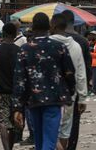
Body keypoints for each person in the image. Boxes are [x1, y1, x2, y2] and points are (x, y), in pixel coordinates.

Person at [12, 12, 75, 150]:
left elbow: (19, 80)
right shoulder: (59, 47)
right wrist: (70, 91)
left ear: (32, 27)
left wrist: (17, 107)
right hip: (54, 99)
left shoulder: (25, 49)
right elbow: (69, 73)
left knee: (39, 139)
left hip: (33, 100)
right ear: (49, 27)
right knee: (50, 139)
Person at [50, 12, 88, 150]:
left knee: (50, 128)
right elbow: (81, 74)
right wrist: (82, 97)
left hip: (49, 94)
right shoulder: (76, 46)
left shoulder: (47, 44)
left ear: (53, 26)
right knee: (65, 129)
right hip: (69, 95)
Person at [0, 23, 21, 150]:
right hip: (16, 92)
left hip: (0, 91)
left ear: (3, 33)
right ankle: (9, 147)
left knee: (2, 122)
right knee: (13, 123)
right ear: (15, 34)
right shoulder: (19, 51)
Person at [61, 10, 91, 150]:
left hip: (56, 88)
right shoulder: (82, 41)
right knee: (74, 121)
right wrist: (84, 93)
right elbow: (86, 69)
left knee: (56, 121)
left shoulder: (55, 39)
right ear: (74, 22)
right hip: (76, 88)